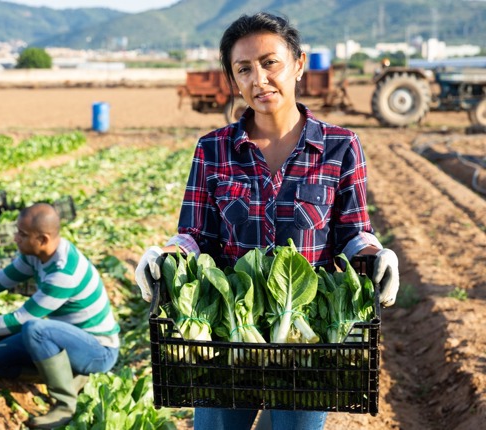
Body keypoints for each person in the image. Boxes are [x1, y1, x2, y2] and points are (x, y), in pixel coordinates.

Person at [134, 12, 400, 430]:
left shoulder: (340, 146)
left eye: (269, 62)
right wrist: (164, 253)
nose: (259, 79)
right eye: (244, 69)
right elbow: (195, 235)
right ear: (233, 80)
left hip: (304, 344)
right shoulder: (213, 149)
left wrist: (377, 253)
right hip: (228, 336)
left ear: (298, 64)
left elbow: (351, 234)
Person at [0, 203, 120, 430]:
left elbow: (20, 319)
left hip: (98, 349)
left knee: (35, 329)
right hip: (65, 338)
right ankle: (69, 375)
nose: (16, 238)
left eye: (23, 234)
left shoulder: (63, 273)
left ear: (43, 239)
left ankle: (65, 403)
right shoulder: (35, 255)